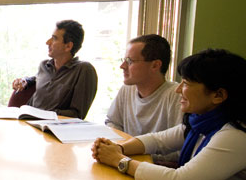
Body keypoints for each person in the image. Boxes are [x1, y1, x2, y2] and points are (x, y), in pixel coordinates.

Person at [92, 49, 246, 179]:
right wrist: (117, 148)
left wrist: (118, 159)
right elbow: (157, 140)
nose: (178, 90)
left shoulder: (235, 135)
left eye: (186, 84)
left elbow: (179, 178)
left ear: (218, 95)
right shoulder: (200, 124)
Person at [11, 20, 98, 119]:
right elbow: (38, 79)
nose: (47, 42)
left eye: (54, 39)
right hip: (28, 122)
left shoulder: (84, 70)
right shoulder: (44, 65)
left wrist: (41, 114)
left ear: (68, 46)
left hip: (55, 129)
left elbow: (77, 115)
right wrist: (25, 81)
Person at [105, 34, 182, 136]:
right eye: (124, 60)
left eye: (130, 61)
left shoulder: (176, 95)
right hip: (125, 151)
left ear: (155, 65)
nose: (122, 66)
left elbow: (179, 141)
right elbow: (112, 122)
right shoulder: (127, 89)